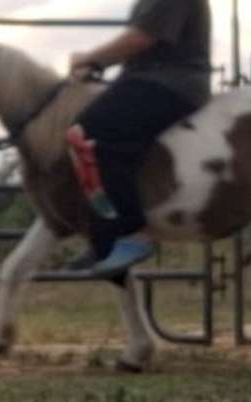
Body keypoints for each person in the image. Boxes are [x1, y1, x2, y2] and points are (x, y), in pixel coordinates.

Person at [66, 0, 212, 275]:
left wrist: (91, 58)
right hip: (152, 78)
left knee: (88, 132)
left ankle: (134, 232)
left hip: (172, 82)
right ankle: (106, 240)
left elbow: (142, 37)